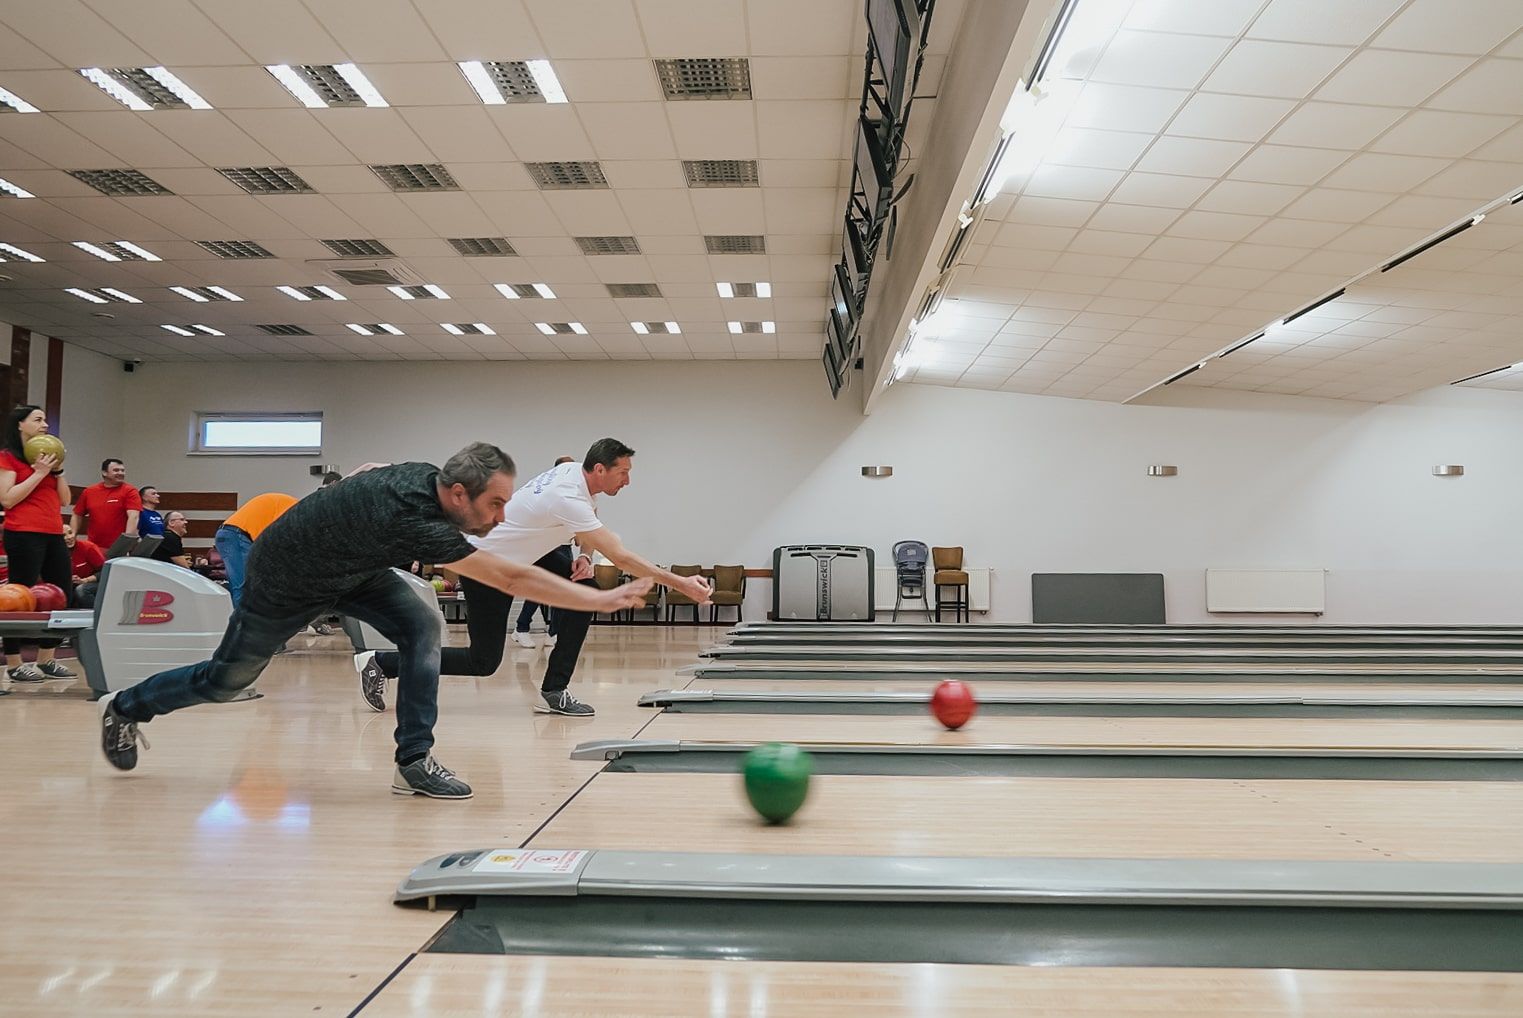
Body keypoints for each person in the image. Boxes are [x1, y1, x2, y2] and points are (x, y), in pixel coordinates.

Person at [98, 443, 653, 800]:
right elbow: (510, 579)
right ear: (458, 493)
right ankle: (126, 707)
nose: (503, 516)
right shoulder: (419, 522)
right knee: (226, 681)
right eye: (495, 504)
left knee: (421, 628)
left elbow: (372, 470)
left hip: (354, 570)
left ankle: (413, 759)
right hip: (285, 579)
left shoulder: (425, 478)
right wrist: (599, 601)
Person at [358, 438, 710, 717]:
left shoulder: (574, 474)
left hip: (528, 553)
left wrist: (585, 557)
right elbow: (619, 556)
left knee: (584, 588)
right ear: (600, 469)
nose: (628, 480)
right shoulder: (567, 496)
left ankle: (554, 691)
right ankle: (381, 663)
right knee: (483, 662)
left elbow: (589, 522)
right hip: (487, 563)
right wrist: (680, 583)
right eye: (623, 473)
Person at [0, 405, 76, 681]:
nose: (45, 424)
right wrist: (39, 473)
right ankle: (14, 663)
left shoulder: (48, 464)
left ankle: (47, 660)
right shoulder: (7, 458)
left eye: (45, 420)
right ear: (20, 425)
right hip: (23, 533)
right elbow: (7, 499)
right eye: (38, 419)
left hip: (53, 533)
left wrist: (57, 470)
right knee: (18, 599)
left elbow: (66, 500)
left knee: (62, 594)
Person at [510, 456, 577, 649]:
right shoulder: (546, 490)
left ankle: (553, 633)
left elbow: (582, 536)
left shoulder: (575, 493)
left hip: (565, 548)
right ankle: (521, 628)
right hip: (546, 548)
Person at [214, 492, 297, 608]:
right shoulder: (295, 510)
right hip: (238, 535)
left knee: (242, 585)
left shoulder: (291, 506)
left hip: (231, 534)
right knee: (246, 587)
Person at [71, 458, 140, 548]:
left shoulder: (130, 491)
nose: (121, 473)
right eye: (116, 470)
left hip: (118, 547)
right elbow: (77, 514)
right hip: (93, 546)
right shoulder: (89, 491)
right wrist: (72, 535)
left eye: (122, 470)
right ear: (104, 473)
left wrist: (126, 544)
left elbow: (133, 517)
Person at [64, 524, 105, 608]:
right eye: (63, 535)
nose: (69, 537)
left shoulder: (88, 547)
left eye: (70, 533)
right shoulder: (54, 553)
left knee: (81, 590)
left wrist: (85, 580)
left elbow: (105, 571)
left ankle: (96, 616)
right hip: (70, 584)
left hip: (94, 583)